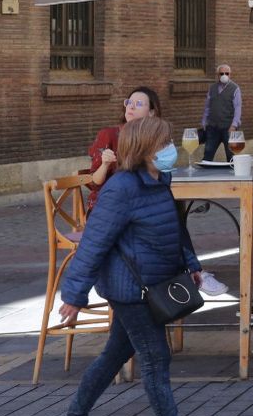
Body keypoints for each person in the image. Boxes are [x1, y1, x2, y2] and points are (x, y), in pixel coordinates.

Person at [53, 116, 216, 416]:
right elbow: (94, 242)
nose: (169, 149)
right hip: (130, 289)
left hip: (152, 281)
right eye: (163, 143)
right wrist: (74, 295)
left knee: (116, 352)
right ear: (144, 150)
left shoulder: (160, 180)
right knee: (156, 356)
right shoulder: (121, 188)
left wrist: (190, 263)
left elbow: (172, 228)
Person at [87, 87, 226, 297]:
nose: (131, 107)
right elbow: (95, 182)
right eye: (129, 103)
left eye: (139, 104)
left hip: (141, 206)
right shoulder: (110, 135)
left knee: (168, 217)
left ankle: (186, 277)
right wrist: (106, 164)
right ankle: (186, 277)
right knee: (164, 221)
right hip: (108, 211)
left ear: (152, 112)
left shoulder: (156, 138)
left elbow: (164, 177)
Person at [199, 63, 241, 162]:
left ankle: (233, 176)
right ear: (218, 75)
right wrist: (204, 122)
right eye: (221, 73)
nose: (224, 76)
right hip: (213, 127)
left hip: (229, 128)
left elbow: (238, 108)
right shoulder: (212, 88)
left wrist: (234, 125)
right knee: (208, 154)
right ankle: (205, 176)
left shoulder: (235, 88)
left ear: (230, 74)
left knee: (231, 156)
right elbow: (207, 107)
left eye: (227, 73)